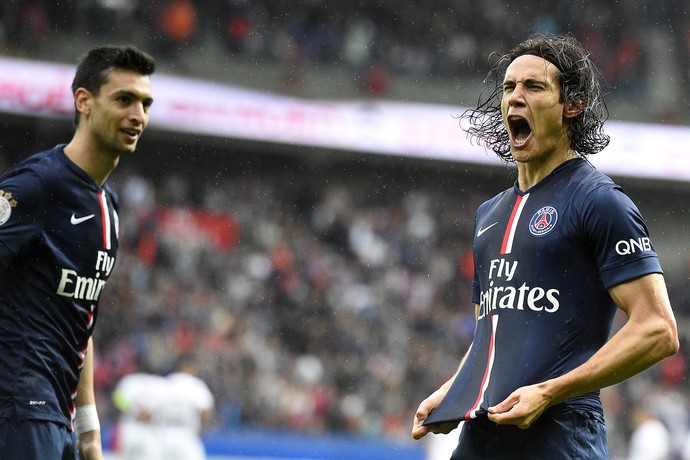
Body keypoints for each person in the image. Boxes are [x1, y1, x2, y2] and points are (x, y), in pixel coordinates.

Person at [411, 33, 679, 459]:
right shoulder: (488, 216)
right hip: (482, 431)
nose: (515, 97)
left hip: (560, 430)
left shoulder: (600, 201)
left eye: (533, 87)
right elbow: (492, 333)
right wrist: (452, 393)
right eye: (508, 87)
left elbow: (658, 330)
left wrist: (549, 392)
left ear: (571, 105)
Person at [0, 45, 155, 459]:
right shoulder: (37, 185)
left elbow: (79, 318)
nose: (138, 115)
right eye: (124, 99)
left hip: (58, 417)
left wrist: (88, 428)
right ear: (83, 101)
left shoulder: (109, 206)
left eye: (145, 103)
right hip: (19, 409)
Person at [112, 358, 214, 460]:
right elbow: (205, 410)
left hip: (154, 433)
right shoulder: (194, 384)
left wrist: (133, 410)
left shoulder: (165, 383)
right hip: (185, 434)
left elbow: (119, 402)